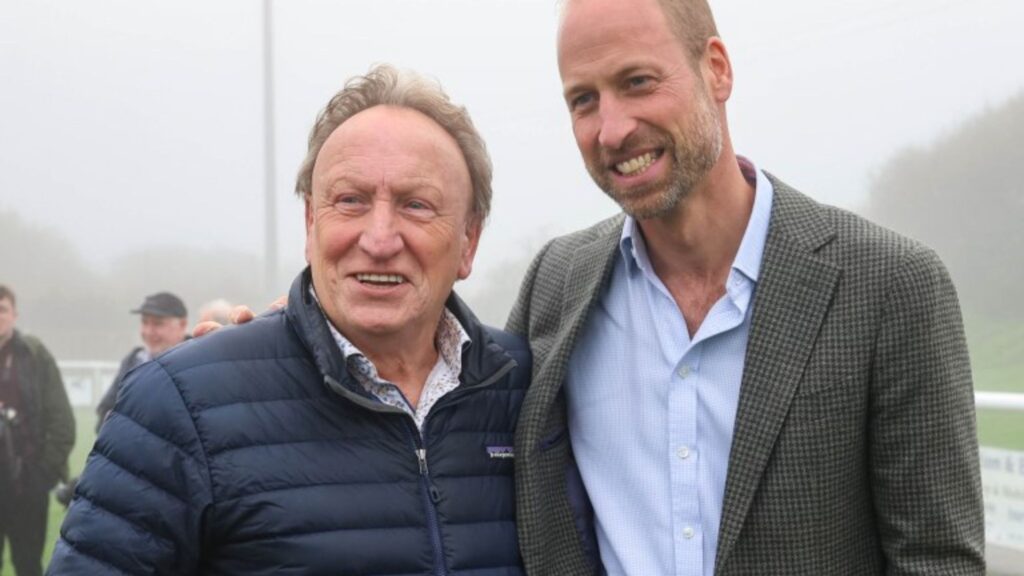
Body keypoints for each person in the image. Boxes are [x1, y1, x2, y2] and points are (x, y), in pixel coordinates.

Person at [508, 0, 984, 574]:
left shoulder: (890, 285)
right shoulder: (555, 284)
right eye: (584, 99)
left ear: (716, 69)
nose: (612, 130)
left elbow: (938, 562)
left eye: (637, 82)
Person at [48, 65, 530, 575]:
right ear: (310, 223)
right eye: (350, 201)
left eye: (416, 205)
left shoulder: (529, 392)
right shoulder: (178, 402)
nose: (380, 239)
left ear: (468, 242)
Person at [0, 285, 75, 576]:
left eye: (2, 309)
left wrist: (41, 473)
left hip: (26, 486)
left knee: (28, 566)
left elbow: (62, 422)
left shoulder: (34, 355)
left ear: (15, 314)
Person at [94, 291, 188, 431]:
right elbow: (105, 412)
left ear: (182, 325)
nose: (149, 331)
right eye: (144, 322)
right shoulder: (132, 361)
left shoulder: (200, 363)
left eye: (158, 323)